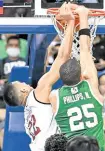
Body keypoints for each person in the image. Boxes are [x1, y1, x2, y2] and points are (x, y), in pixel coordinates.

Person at [3, 3, 75, 151]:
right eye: (21, 83)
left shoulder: (28, 114)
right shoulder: (38, 94)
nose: (24, 83)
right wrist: (70, 25)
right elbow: (62, 58)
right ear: (23, 91)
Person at [49, 6, 105, 151]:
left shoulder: (55, 96)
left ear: (61, 77)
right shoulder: (90, 86)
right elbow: (85, 48)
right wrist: (82, 15)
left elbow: (64, 57)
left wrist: (73, 20)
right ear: (82, 75)